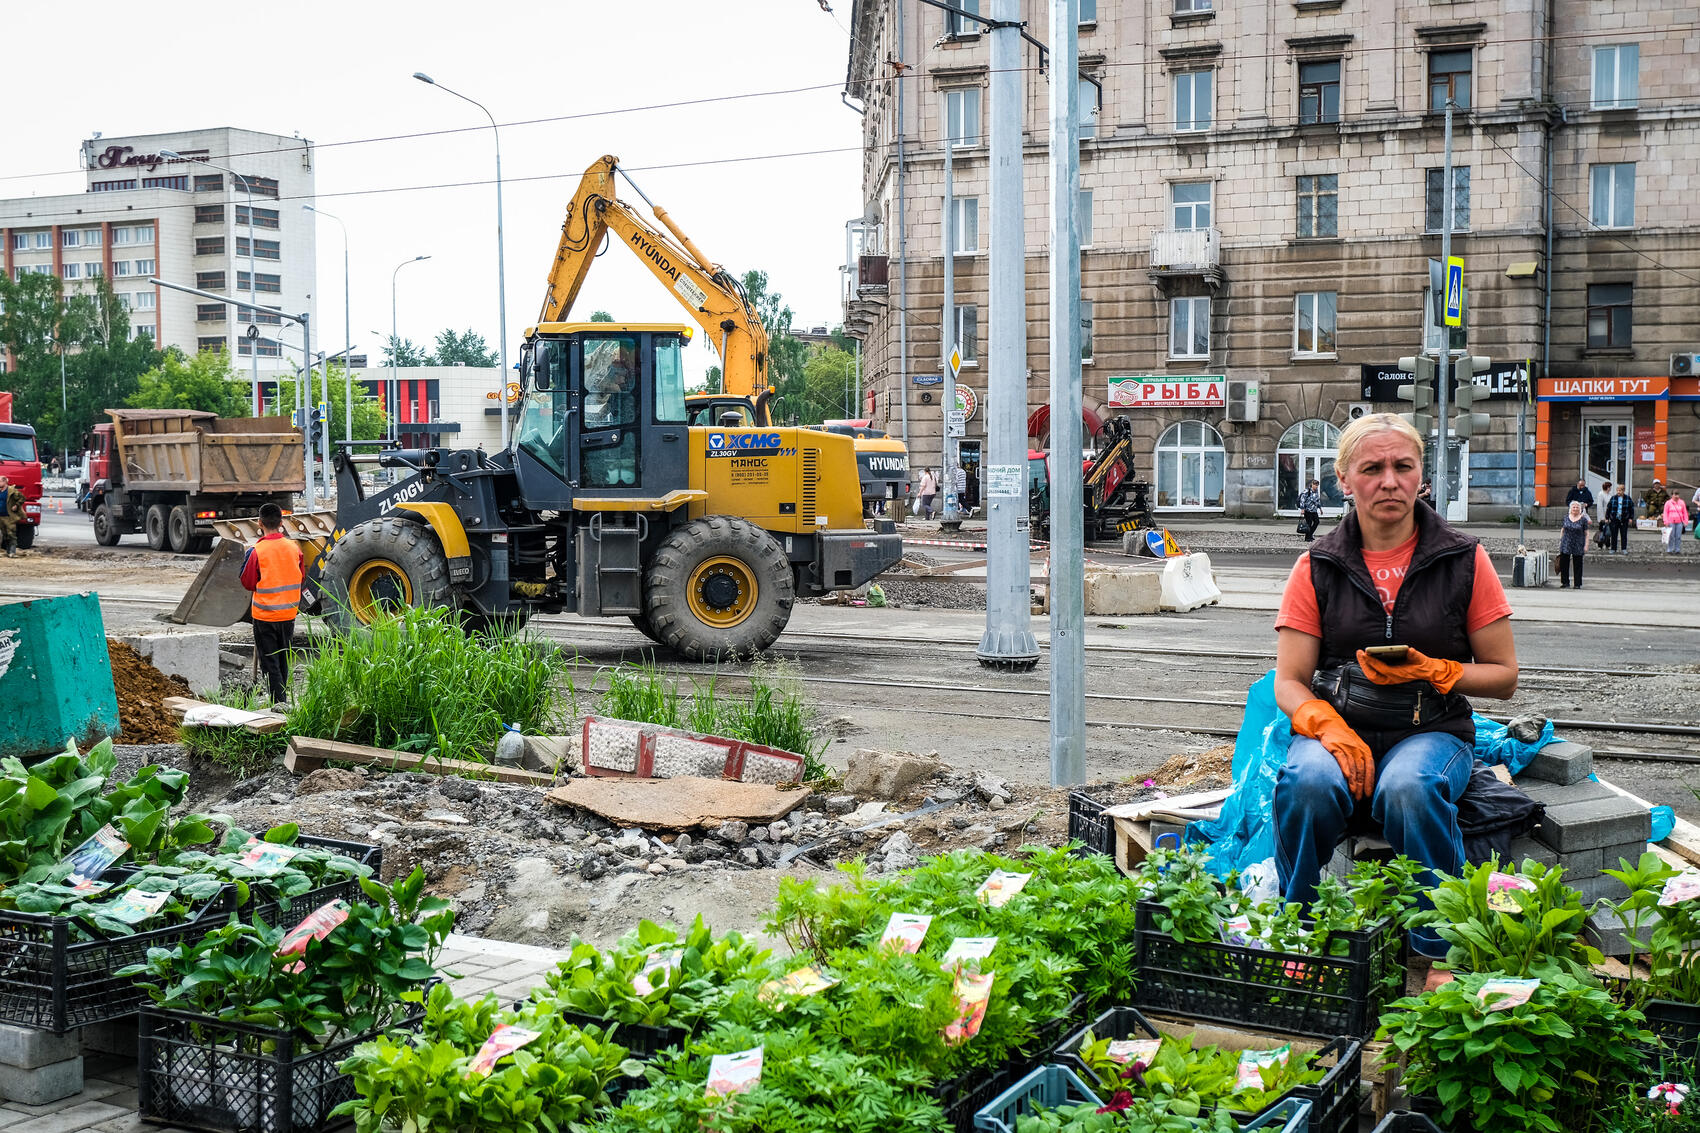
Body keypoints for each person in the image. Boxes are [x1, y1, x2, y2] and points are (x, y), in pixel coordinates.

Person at [1270, 413, 1518, 961]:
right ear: (1344, 479)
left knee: (1409, 787)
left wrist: (1437, 671)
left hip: (1431, 731)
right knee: (1305, 782)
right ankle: (1302, 933)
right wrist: (1325, 725)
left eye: (1403, 466)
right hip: (1339, 729)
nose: (1389, 481)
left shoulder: (1463, 559)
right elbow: (1288, 680)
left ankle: (1441, 949)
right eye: (1372, 468)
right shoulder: (1317, 565)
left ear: (1421, 476)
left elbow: (1504, 677)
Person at [239, 504, 305, 706]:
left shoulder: (256, 551)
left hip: (265, 616)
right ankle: (282, 700)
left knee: (270, 663)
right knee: (284, 658)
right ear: (281, 523)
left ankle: (279, 704)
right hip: (288, 615)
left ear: (260, 523)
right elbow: (301, 576)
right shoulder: (294, 548)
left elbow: (248, 582)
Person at [1557, 501, 1590, 588]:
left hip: (1578, 543)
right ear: (1570, 509)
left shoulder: (1583, 520)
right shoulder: (1566, 517)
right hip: (1566, 543)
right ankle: (1565, 582)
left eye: (1577, 507)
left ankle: (1577, 583)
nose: (1575, 509)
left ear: (1580, 509)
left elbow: (1586, 533)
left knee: (1578, 564)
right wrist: (1561, 541)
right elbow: (1563, 530)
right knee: (1564, 563)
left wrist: (1586, 545)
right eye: (1573, 507)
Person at [1603, 482, 1635, 556]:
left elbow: (1631, 509)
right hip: (1614, 519)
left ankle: (1624, 548)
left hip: (1624, 519)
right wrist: (1607, 517)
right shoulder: (1613, 498)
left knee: (1623, 534)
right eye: (1617, 490)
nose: (1618, 492)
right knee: (1614, 534)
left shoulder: (1628, 498)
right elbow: (1609, 508)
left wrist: (1631, 518)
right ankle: (1613, 548)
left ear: (1623, 491)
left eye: (1620, 490)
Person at [0, 479, 23, 557]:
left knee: (11, 534)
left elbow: (22, 498)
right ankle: (7, 551)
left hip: (9, 516)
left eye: (0, 481)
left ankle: (12, 552)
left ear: (5, 482)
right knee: (4, 534)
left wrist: (16, 505)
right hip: (0, 516)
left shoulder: (12, 491)